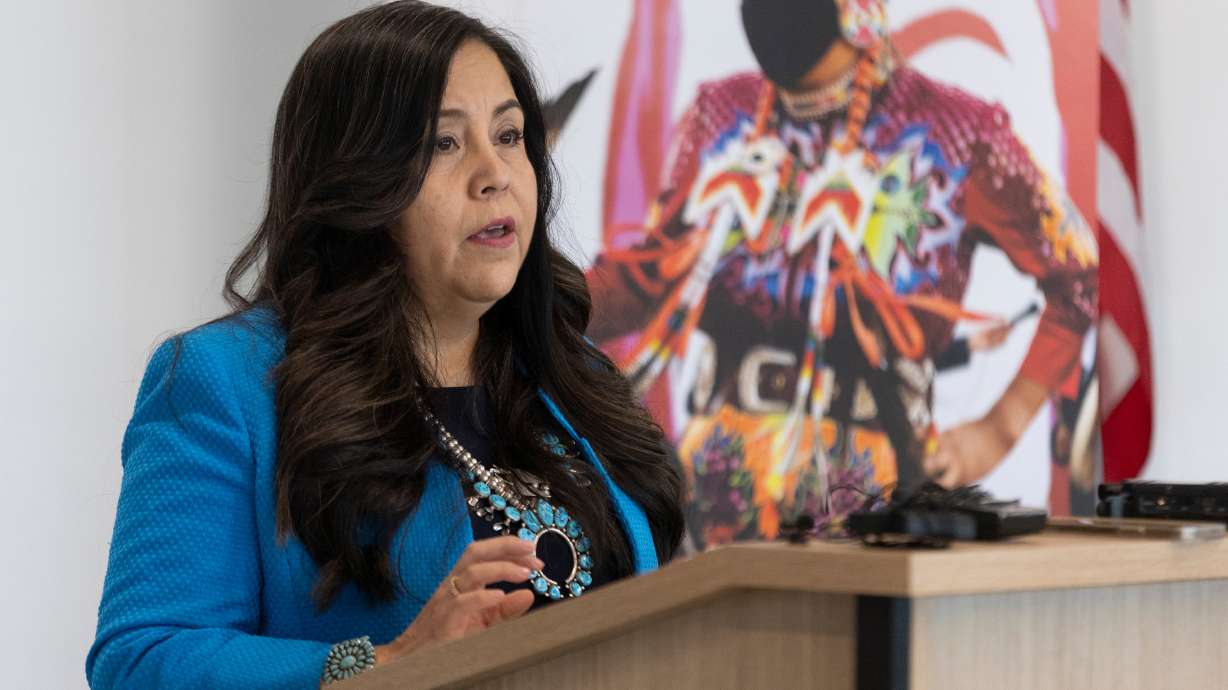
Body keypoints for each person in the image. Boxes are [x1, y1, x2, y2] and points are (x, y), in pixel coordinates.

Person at [86, 3, 685, 688]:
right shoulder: (225, 384)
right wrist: (387, 665)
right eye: (444, 144)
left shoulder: (574, 380)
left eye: (511, 135)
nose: (495, 174)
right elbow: (142, 661)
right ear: (356, 182)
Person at [587, 0, 1097, 546]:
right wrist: (531, 295)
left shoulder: (957, 131)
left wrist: (1000, 427)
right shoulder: (723, 113)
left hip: (878, 506)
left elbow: (1077, 278)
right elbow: (648, 278)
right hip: (715, 497)